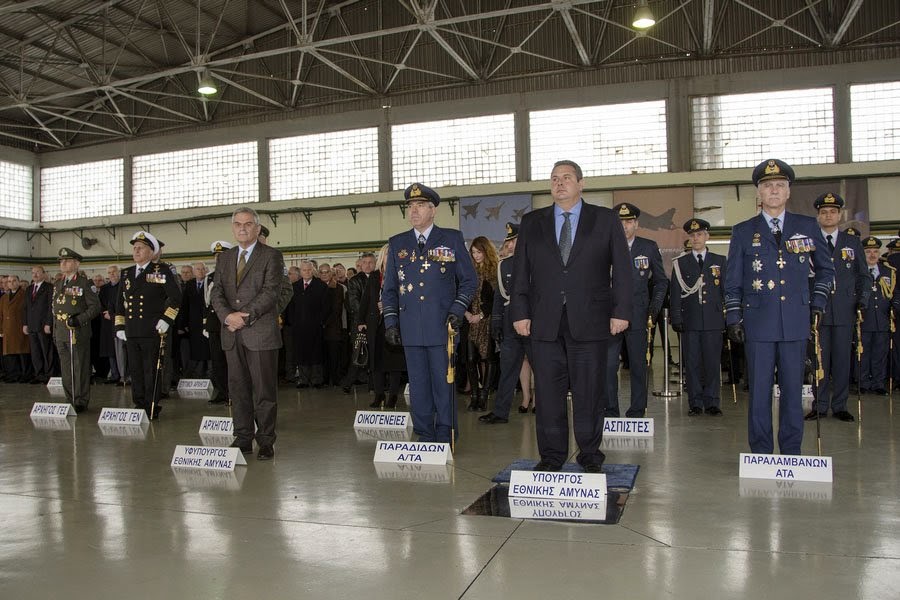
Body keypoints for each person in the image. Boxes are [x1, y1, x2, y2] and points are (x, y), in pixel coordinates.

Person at [510, 160, 632, 472]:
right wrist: (520, 312)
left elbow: (622, 269)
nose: (559, 183)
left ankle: (590, 456)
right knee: (548, 394)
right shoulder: (532, 222)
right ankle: (551, 457)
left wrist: (621, 311)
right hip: (543, 320)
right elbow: (521, 272)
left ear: (581, 183)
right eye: (554, 178)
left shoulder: (604, 220)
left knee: (589, 392)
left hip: (590, 318)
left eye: (566, 177)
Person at [725, 159, 835, 455]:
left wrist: (818, 302)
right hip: (758, 322)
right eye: (767, 186)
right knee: (759, 392)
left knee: (792, 393)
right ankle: (760, 453)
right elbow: (732, 279)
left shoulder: (808, 226)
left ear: (788, 192)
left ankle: (791, 452)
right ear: (758, 193)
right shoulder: (743, 231)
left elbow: (826, 270)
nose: (773, 190)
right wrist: (734, 316)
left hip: (796, 322)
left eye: (779, 185)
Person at [382, 183, 477, 443]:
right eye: (410, 206)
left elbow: (469, 280)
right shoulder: (398, 243)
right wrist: (391, 322)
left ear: (433, 210)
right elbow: (389, 288)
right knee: (419, 387)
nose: (414, 211)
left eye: (421, 205)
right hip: (411, 329)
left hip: (442, 327)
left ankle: (445, 433)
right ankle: (424, 435)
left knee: (443, 385)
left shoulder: (452, 239)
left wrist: (458, 309)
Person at [210, 207, 289, 460]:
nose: (242, 228)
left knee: (264, 391)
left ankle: (266, 441)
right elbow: (217, 293)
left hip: (260, 333)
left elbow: (271, 292)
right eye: (237, 224)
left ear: (256, 228)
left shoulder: (272, 256)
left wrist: (242, 317)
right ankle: (242, 438)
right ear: (233, 228)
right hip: (232, 334)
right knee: (238, 389)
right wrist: (226, 316)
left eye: (247, 224)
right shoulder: (225, 258)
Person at [804, 192, 871, 422]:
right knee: (819, 359)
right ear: (818, 216)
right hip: (818, 312)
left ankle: (840, 405)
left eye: (833, 212)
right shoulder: (810, 243)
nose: (828, 215)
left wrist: (863, 300)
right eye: (824, 212)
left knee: (843, 360)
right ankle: (820, 405)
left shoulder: (851, 242)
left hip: (845, 310)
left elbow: (863, 275)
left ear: (840, 215)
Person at [606, 202, 667, 418]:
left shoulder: (648, 247)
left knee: (639, 366)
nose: (624, 226)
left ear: (637, 224)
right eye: (620, 222)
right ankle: (610, 411)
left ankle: (637, 411)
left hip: (639, 315)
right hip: (610, 316)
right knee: (608, 365)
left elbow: (661, 281)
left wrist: (654, 309)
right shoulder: (605, 246)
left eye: (629, 221)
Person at [115, 231, 183, 419]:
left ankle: (152, 404)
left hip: (152, 328)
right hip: (132, 329)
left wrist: (166, 319)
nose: (136, 251)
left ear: (151, 252)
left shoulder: (160, 271)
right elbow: (119, 303)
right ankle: (139, 403)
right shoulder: (127, 273)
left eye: (140, 248)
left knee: (150, 368)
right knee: (135, 369)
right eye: (134, 248)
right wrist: (120, 326)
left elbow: (176, 298)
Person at [670, 218, 727, 416]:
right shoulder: (681, 263)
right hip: (691, 320)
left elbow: (726, 291)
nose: (696, 238)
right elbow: (675, 292)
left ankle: (712, 401)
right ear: (689, 238)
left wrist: (728, 317)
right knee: (692, 363)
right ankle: (695, 402)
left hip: (713, 319)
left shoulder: (719, 262)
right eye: (693, 235)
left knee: (712, 362)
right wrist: (676, 317)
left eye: (700, 234)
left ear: (707, 236)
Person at [480, 222, 532, 424]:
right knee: (507, 370)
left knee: (543, 370)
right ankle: (501, 412)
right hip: (511, 322)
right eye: (509, 241)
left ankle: (548, 410)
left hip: (532, 320)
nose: (510, 245)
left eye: (513, 240)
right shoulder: (505, 265)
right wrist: (496, 322)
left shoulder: (536, 261)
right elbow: (500, 298)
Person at [49, 248, 100, 411]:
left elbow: (95, 307)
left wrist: (79, 320)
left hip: (77, 332)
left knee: (80, 367)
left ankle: (80, 400)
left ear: (76, 264)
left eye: (67, 260)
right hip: (61, 332)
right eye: (61, 261)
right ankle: (69, 398)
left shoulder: (84, 283)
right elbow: (55, 309)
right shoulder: (58, 284)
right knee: (65, 367)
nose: (63, 263)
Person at [359, 245, 407, 408]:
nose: (388, 256)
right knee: (376, 361)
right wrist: (360, 321)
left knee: (394, 361)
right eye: (386, 253)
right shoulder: (373, 276)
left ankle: (392, 395)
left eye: (391, 253)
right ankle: (379, 394)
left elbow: (406, 298)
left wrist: (389, 305)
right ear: (382, 256)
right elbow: (365, 299)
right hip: (375, 324)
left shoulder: (401, 275)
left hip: (394, 322)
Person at [859, 237, 898, 395]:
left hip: (882, 319)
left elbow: (894, 294)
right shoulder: (858, 271)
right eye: (868, 252)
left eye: (875, 251)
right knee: (863, 352)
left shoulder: (888, 271)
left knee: (880, 353)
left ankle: (878, 383)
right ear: (862, 254)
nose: (872, 255)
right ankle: (863, 382)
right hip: (863, 319)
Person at [464, 236, 499, 412]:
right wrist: (466, 313)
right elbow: (460, 294)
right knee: (470, 359)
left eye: (479, 252)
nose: (476, 255)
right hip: (470, 321)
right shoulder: (468, 272)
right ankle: (475, 395)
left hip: (487, 321)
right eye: (473, 252)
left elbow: (496, 299)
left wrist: (482, 315)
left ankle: (484, 395)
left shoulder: (494, 271)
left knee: (488, 358)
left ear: (486, 251)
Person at [289, 261, 327, 388]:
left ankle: (317, 379)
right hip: (299, 327)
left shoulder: (321, 286)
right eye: (304, 270)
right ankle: (303, 379)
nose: (307, 272)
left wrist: (321, 321)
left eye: (309, 270)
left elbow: (326, 307)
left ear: (313, 271)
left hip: (316, 327)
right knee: (301, 353)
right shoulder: (294, 287)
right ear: (300, 272)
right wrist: (293, 322)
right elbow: (290, 307)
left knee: (316, 353)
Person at [341, 253, 375, 394]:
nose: (367, 265)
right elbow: (354, 303)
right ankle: (348, 383)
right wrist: (364, 320)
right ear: (361, 264)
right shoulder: (354, 280)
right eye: (365, 262)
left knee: (374, 354)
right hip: (360, 323)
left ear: (375, 263)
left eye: (370, 262)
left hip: (376, 322)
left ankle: (374, 385)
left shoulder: (379, 278)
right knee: (358, 352)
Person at [204, 241, 232, 404]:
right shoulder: (210, 277)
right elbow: (206, 303)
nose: (218, 258)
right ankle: (222, 391)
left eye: (221, 256)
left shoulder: (234, 275)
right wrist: (205, 324)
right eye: (216, 256)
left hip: (229, 323)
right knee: (217, 360)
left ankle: (233, 392)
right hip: (214, 324)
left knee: (231, 361)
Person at [23, 266, 54, 383]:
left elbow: (51, 307)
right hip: (31, 325)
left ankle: (48, 374)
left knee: (46, 350)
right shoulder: (29, 289)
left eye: (37, 272)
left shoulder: (49, 288)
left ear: (43, 274)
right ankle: (38, 374)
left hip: (43, 325)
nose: (35, 275)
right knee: (35, 351)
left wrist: (48, 323)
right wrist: (25, 323)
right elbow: (25, 308)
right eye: (33, 273)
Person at [180, 262, 211, 378]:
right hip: (193, 323)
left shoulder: (209, 283)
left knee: (207, 348)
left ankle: (208, 373)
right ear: (194, 272)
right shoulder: (190, 284)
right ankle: (197, 373)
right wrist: (182, 324)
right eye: (198, 269)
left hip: (205, 321)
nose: (201, 271)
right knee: (195, 349)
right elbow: (184, 305)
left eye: (203, 269)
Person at [318, 263, 346, 387]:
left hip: (333, 328)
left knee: (334, 355)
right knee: (322, 356)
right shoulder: (315, 287)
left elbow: (337, 309)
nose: (324, 274)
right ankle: (324, 379)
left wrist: (324, 323)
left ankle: (335, 379)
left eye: (327, 272)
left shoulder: (338, 288)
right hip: (318, 328)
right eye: (322, 272)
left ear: (331, 273)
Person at [1, 275, 32, 382]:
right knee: (10, 354)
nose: (11, 283)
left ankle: (24, 375)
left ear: (18, 282)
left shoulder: (24, 295)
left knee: (22, 353)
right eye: (9, 281)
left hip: (20, 328)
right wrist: (1, 329)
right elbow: (1, 314)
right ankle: (13, 375)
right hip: (8, 329)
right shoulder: (4, 297)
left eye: (14, 281)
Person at [98, 266, 123, 384]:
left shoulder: (123, 286)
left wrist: (112, 314)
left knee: (120, 349)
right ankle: (114, 374)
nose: (112, 274)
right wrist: (106, 313)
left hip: (120, 321)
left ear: (119, 273)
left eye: (114, 272)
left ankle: (123, 374)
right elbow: (100, 304)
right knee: (110, 350)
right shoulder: (104, 289)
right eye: (109, 272)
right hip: (107, 322)